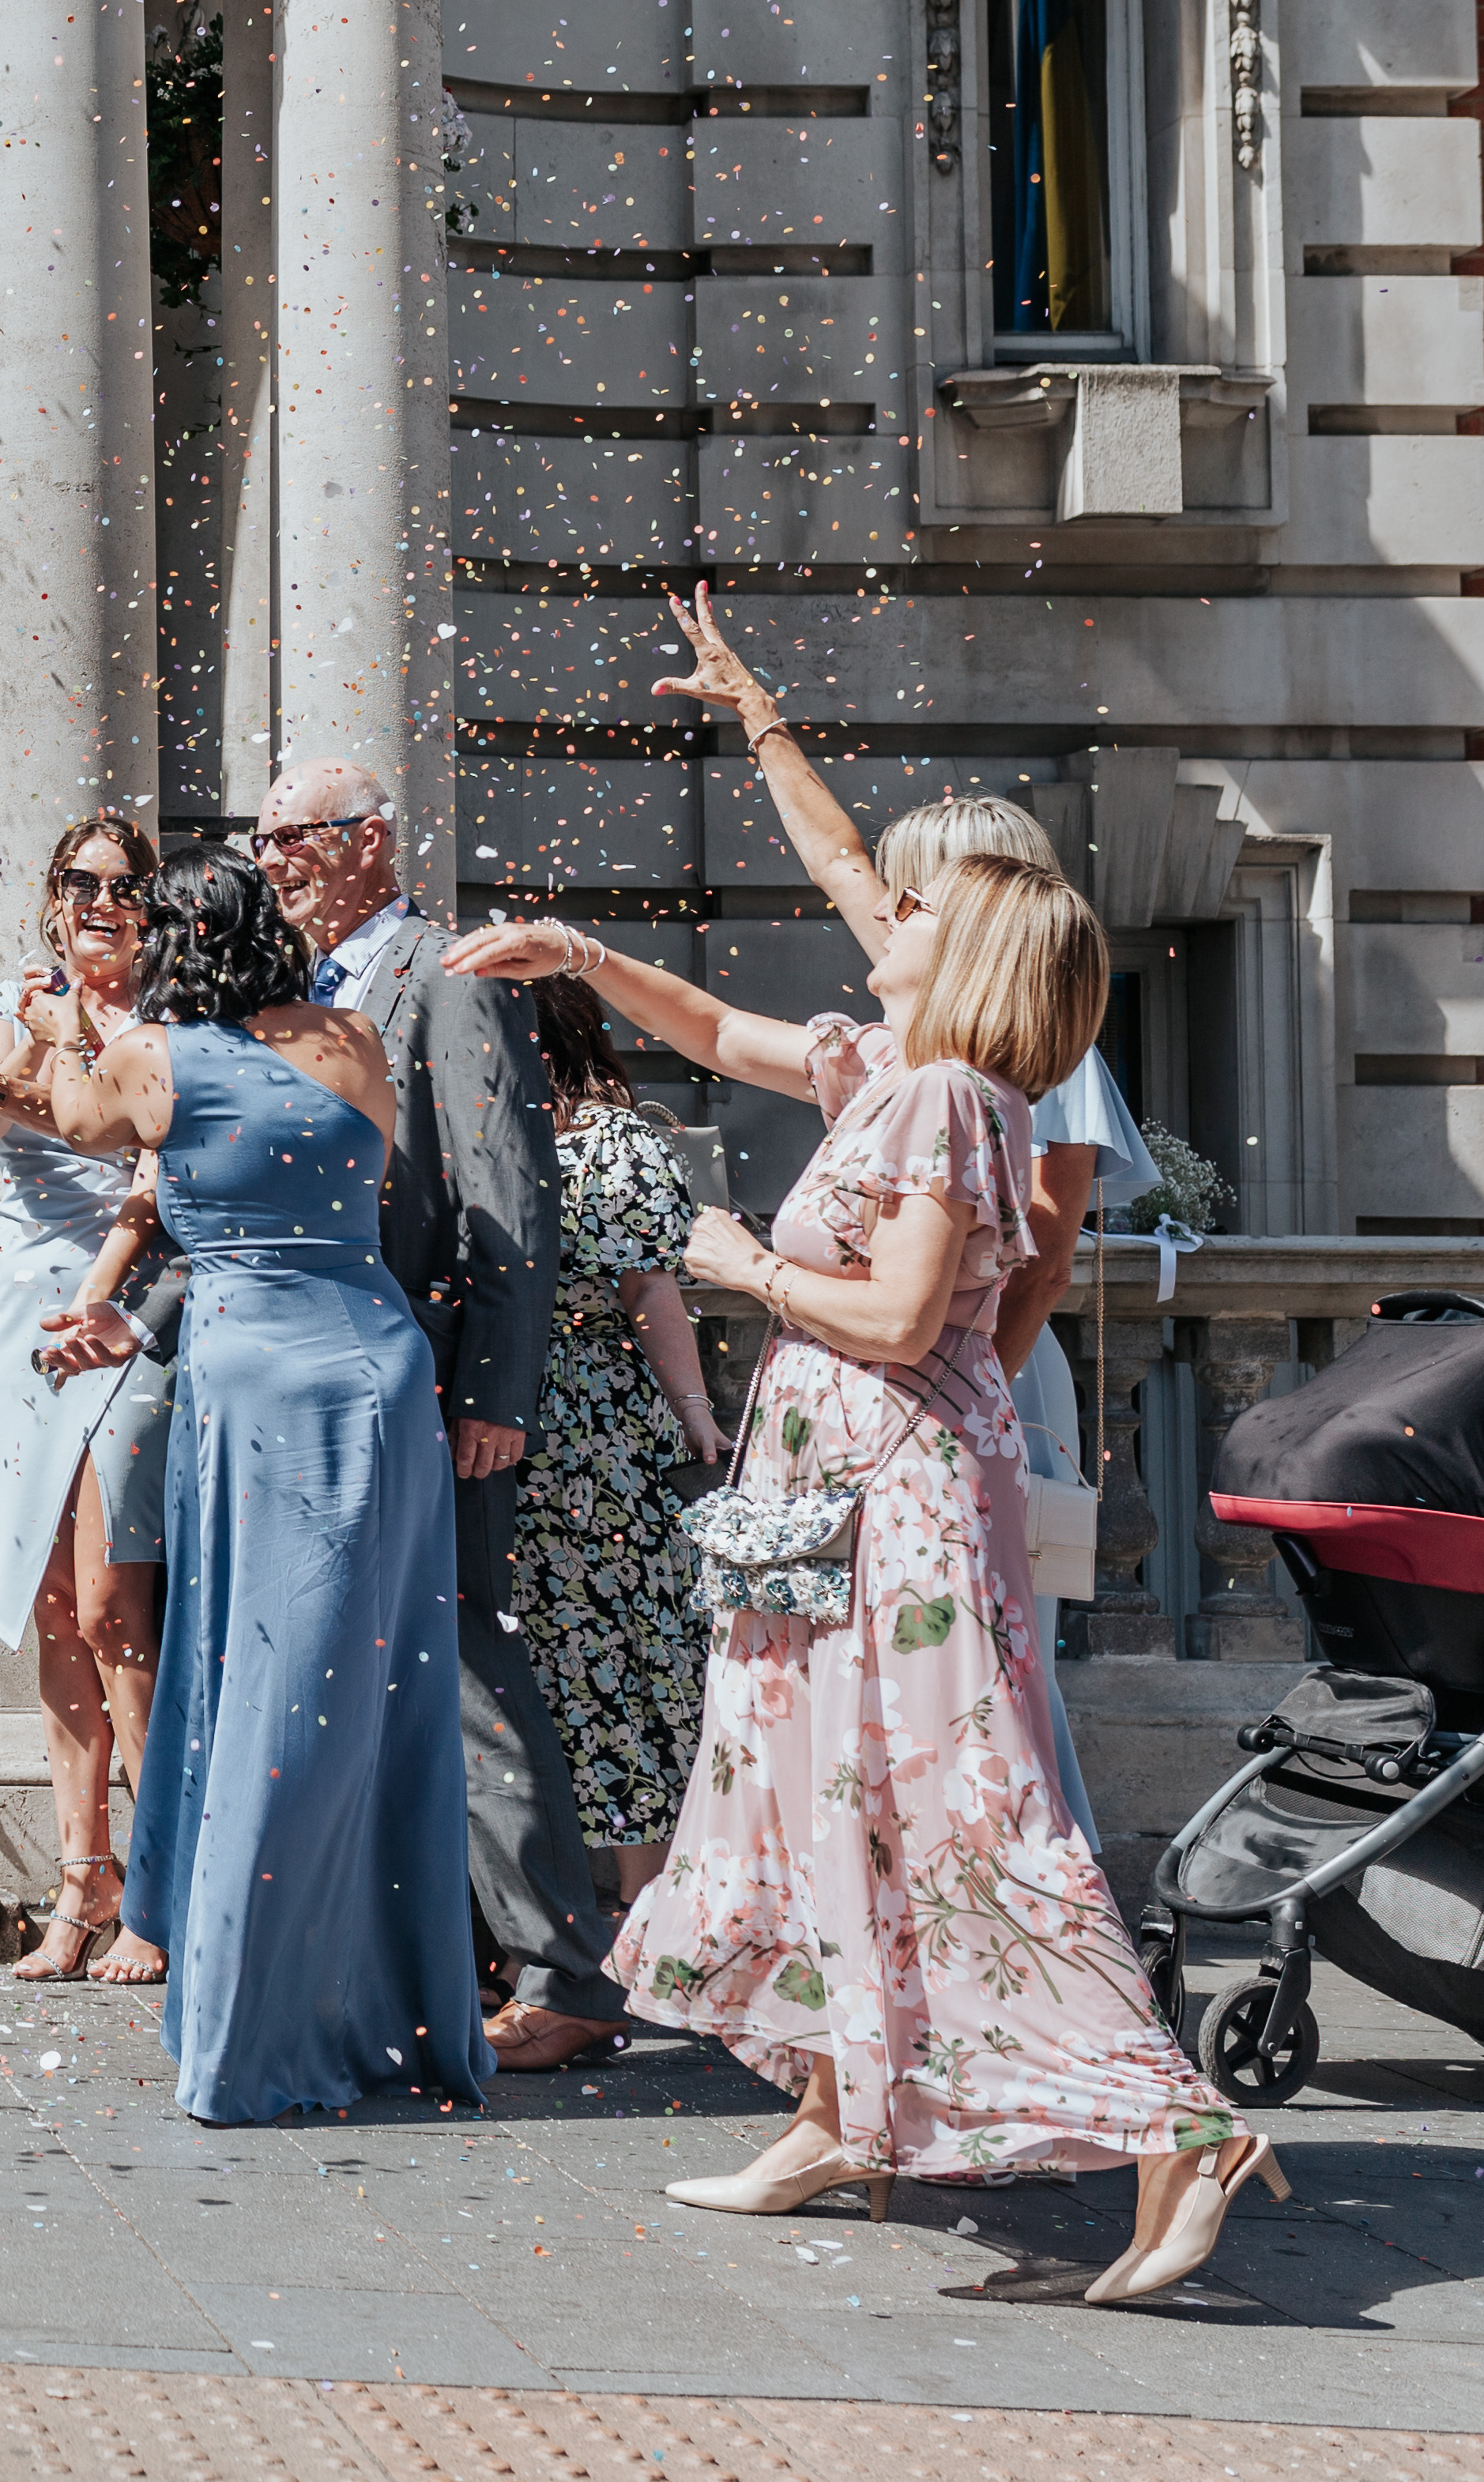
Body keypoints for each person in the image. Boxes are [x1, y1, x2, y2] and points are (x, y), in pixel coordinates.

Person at [441, 861, 1276, 2300]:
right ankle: (841, 2115)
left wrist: (738, 1263)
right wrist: (577, 948)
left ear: (980, 960)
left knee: (959, 1813)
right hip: (838, 1505)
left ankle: (1176, 2129)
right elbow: (709, 1026)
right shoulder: (900, 1073)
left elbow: (898, 1317)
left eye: (926, 909)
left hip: (903, 1517)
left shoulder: (952, 1098)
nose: (893, 918)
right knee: (825, 1793)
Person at [657, 586, 1143, 1826]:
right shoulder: (914, 1040)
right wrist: (759, 718)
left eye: (912, 889)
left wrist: (951, 1389)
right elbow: (831, 856)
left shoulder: (1003, 1059)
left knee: (973, 1688)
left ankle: (1040, 1911)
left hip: (963, 1374)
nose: (882, 900)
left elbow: (1036, 1263)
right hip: (900, 1382)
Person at [31, 853, 488, 2120]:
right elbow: (354, 1187)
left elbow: (70, 1115)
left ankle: (253, 2020)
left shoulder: (157, 1057)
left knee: (267, 1676)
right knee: (380, 1684)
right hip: (377, 1364)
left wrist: (71, 1008)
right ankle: (381, 2003)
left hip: (260, 1378)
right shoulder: (351, 1040)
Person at [247, 756, 615, 2073]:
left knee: (463, 1666)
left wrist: (498, 1395)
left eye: (292, 835)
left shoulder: (446, 973)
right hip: (332, 1380)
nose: (272, 856)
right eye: (264, 836)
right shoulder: (298, 990)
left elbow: (507, 1188)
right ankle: (433, 1950)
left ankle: (569, 1969)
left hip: (435, 1379)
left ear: (369, 842)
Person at [0, 811, 170, 1984]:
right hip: (26, 1296)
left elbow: (144, 1152)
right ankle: (81, 1871)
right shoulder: (18, 995)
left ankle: (159, 1882)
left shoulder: (166, 1014)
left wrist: (61, 1045)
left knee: (118, 1602)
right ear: (51, 896)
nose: (99, 900)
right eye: (78, 881)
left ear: (154, 904)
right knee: (55, 1597)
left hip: (134, 1303)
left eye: (122, 884)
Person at [509, 977, 725, 1898]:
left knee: (616, 1656)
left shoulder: (619, 1141)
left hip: (593, 1427)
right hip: (511, 1421)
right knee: (547, 1657)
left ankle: (646, 1902)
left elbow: (649, 1292)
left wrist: (698, 1416)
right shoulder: (489, 1131)